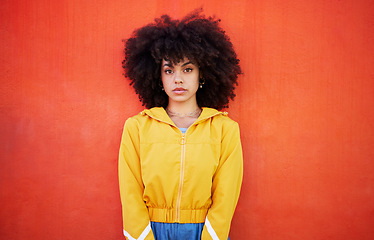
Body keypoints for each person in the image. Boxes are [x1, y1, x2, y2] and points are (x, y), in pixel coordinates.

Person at [119, 9, 243, 240]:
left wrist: (210, 236)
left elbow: (226, 197)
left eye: (187, 69)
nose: (178, 79)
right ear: (158, 77)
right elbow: (130, 192)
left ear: (201, 75)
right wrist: (142, 236)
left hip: (203, 231)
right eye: (169, 70)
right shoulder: (136, 128)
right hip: (151, 231)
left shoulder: (225, 130)